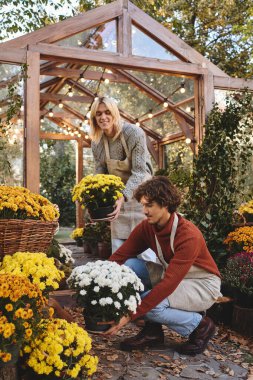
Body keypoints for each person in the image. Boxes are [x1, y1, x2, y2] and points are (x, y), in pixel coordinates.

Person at [105, 176, 222, 356]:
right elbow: (119, 257)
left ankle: (201, 326)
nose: (144, 211)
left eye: (149, 205)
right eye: (143, 205)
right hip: (175, 277)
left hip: (202, 285)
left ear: (165, 203)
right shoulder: (147, 227)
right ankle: (153, 332)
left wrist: (129, 314)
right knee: (130, 266)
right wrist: (97, 281)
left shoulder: (188, 235)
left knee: (150, 304)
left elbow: (168, 284)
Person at [90, 96, 155, 260]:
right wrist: (95, 199)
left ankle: (151, 281)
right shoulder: (97, 142)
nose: (103, 117)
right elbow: (101, 173)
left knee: (145, 246)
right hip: (119, 197)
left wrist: (122, 196)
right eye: (98, 114)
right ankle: (124, 282)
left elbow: (139, 171)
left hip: (143, 193)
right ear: (94, 118)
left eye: (107, 112)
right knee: (119, 248)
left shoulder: (133, 133)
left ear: (114, 114)